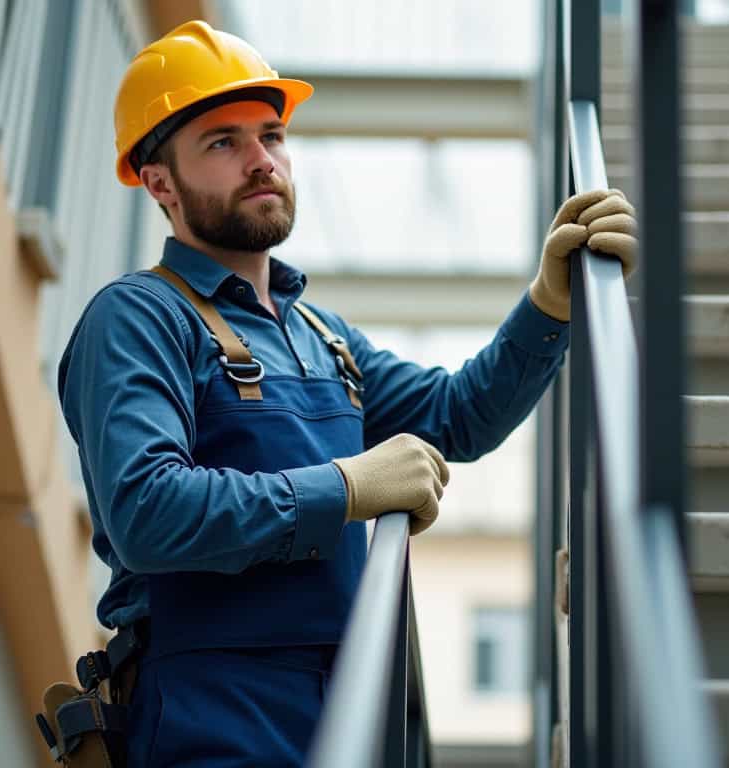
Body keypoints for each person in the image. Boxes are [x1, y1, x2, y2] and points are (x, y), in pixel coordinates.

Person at [53, 19, 636, 767]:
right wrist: (344, 487)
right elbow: (147, 510)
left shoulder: (321, 337)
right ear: (159, 181)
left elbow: (459, 418)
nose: (262, 161)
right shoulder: (137, 317)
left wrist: (550, 302)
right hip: (214, 717)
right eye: (222, 143)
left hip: (360, 710)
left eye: (272, 135)